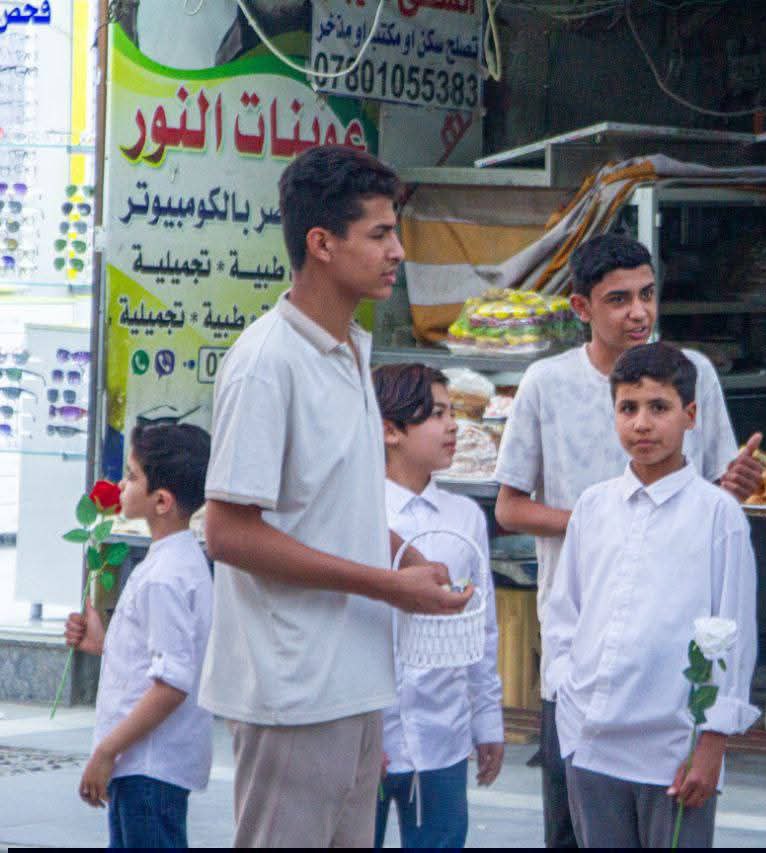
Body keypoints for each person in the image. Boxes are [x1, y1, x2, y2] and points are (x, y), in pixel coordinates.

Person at [198, 145, 471, 848]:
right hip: (291, 686)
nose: (397, 252)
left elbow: (331, 507)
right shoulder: (267, 362)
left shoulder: (351, 346)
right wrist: (387, 585)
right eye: (379, 234)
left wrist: (404, 556)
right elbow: (227, 531)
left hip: (356, 678)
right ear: (321, 243)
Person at [492, 233, 762, 847]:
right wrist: (612, 520)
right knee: (572, 833)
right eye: (618, 300)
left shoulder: (695, 375)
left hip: (673, 684)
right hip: (585, 676)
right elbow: (509, 507)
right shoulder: (547, 384)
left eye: (647, 295)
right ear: (581, 307)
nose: (638, 312)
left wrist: (725, 490)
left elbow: (718, 504)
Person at [541, 342, 759, 848]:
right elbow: (564, 613)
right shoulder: (593, 507)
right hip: (592, 740)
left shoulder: (717, 514)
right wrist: (566, 692)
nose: (642, 424)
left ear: (690, 415)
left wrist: (711, 743)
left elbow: (732, 634)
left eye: (659, 407)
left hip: (675, 746)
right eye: (628, 408)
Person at [372, 363, 505, 848]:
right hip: (370, 736)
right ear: (390, 430)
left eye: (453, 413)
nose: (453, 427)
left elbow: (482, 628)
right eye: (436, 415)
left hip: (441, 737)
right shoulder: (357, 511)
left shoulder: (464, 517)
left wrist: (487, 721)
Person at [64, 423, 213, 848]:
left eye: (131, 476)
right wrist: (102, 643)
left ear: (161, 501)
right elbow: (158, 656)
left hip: (148, 766)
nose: (121, 485)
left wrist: (107, 751)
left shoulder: (166, 576)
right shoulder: (175, 561)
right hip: (146, 766)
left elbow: (172, 683)